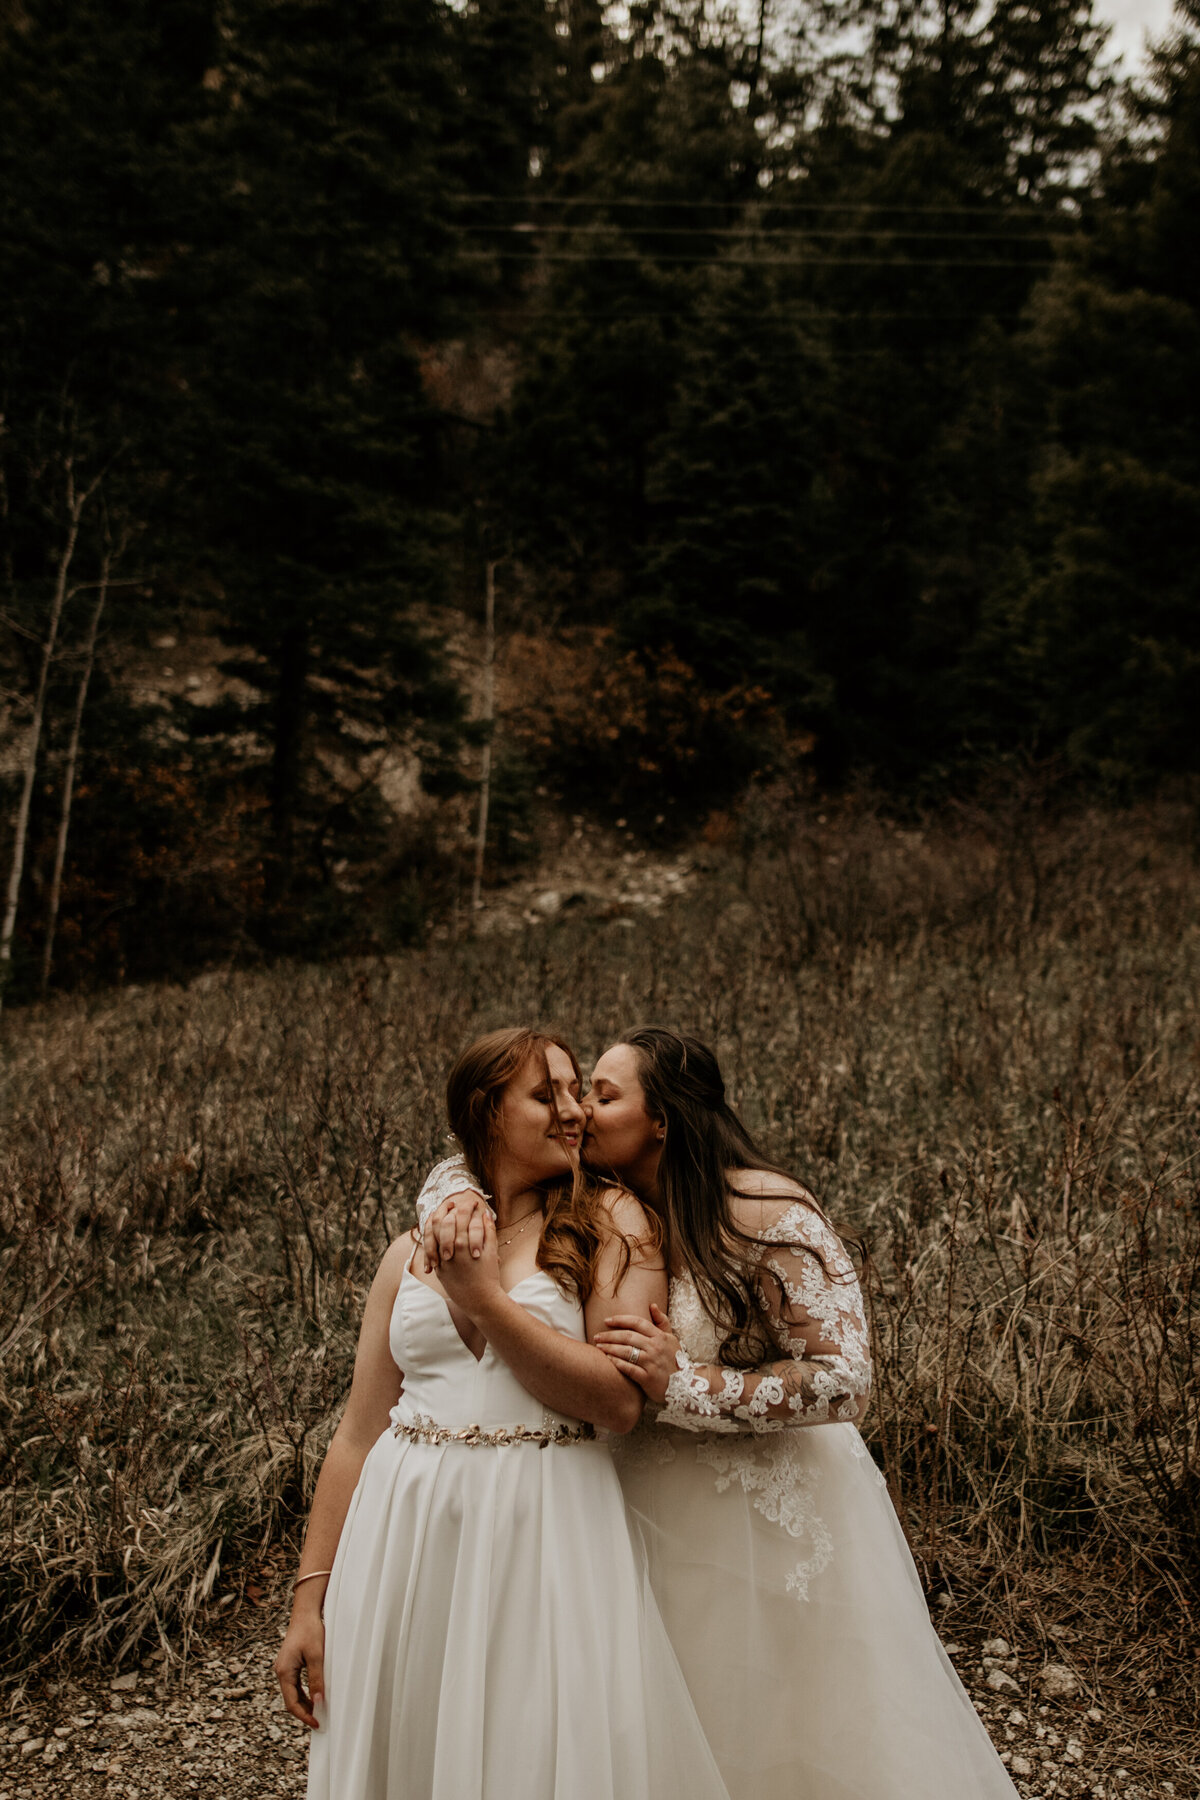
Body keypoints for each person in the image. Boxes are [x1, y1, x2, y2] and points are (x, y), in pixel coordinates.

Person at [421, 1026, 1021, 1800]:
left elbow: (847, 1380)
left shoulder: (763, 1209)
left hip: (755, 1522)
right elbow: (475, 1154)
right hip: (639, 1507)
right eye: (572, 1095)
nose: (578, 1113)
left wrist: (687, 1385)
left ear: (661, 1120)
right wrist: (453, 1191)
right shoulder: (605, 1201)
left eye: (602, 1096)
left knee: (774, 1729)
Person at [279, 1026, 731, 1800]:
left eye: (575, 1089)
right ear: (486, 1112)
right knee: (405, 1737)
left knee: (532, 1749)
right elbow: (357, 1434)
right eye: (545, 1094)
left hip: (545, 1528)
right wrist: (308, 1603)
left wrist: (483, 1299)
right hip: (404, 1532)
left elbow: (618, 1403)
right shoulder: (410, 1249)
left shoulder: (614, 1224)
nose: (573, 1110)